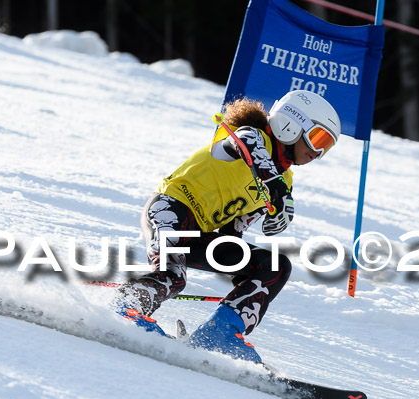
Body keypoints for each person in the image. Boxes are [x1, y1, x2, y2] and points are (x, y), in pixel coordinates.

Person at [114, 90, 341, 363]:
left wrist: (246, 280)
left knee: (275, 266)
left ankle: (218, 334)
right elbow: (248, 148)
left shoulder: (285, 179)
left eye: (326, 147)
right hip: (171, 209)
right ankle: (128, 308)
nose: (317, 153)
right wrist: (276, 191)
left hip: (202, 235)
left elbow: (233, 231)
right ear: (291, 124)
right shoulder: (249, 134)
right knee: (173, 276)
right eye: (318, 139)